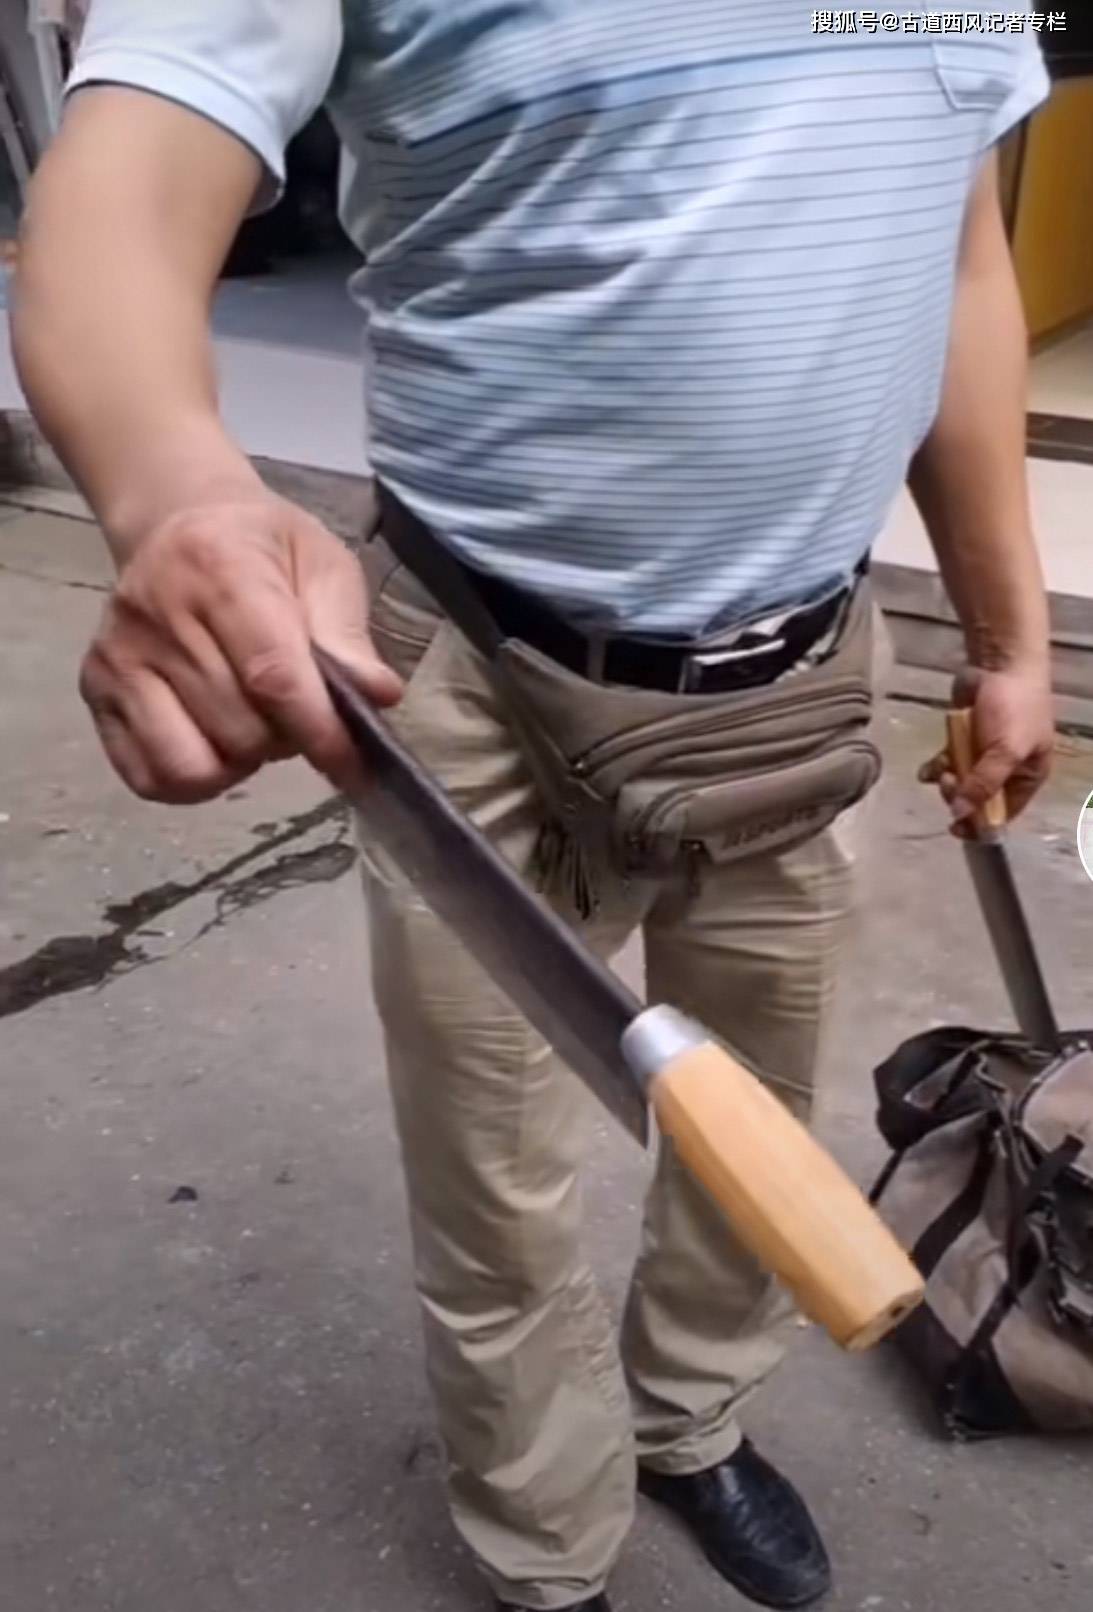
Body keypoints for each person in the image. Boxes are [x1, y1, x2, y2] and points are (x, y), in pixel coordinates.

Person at [13, 6, 1056, 1610]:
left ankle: (689, 1421)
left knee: (756, 1116)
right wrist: (180, 489)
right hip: (482, 677)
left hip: (804, 679)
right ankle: (545, 1547)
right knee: (495, 1180)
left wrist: (1006, 640)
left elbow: (961, 257)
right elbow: (132, 183)